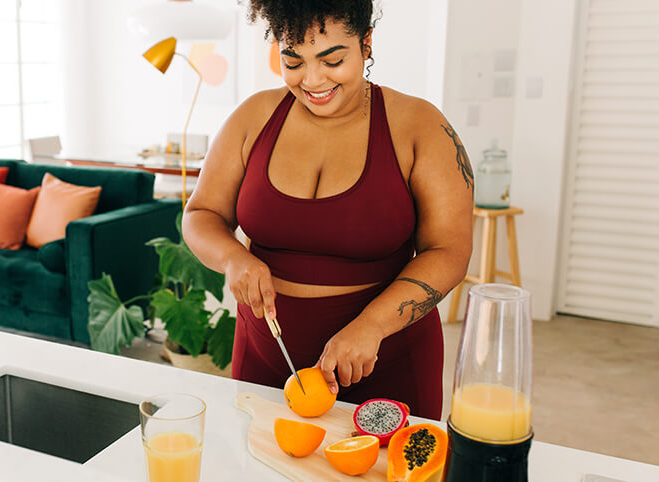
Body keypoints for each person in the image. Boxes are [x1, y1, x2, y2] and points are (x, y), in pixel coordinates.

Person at [182, 0, 473, 420]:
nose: (312, 80)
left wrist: (371, 325)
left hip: (386, 363)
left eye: (332, 59)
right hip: (263, 361)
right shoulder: (252, 118)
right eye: (293, 60)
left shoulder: (421, 126)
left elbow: (449, 251)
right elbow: (201, 214)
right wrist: (233, 258)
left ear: (366, 44)